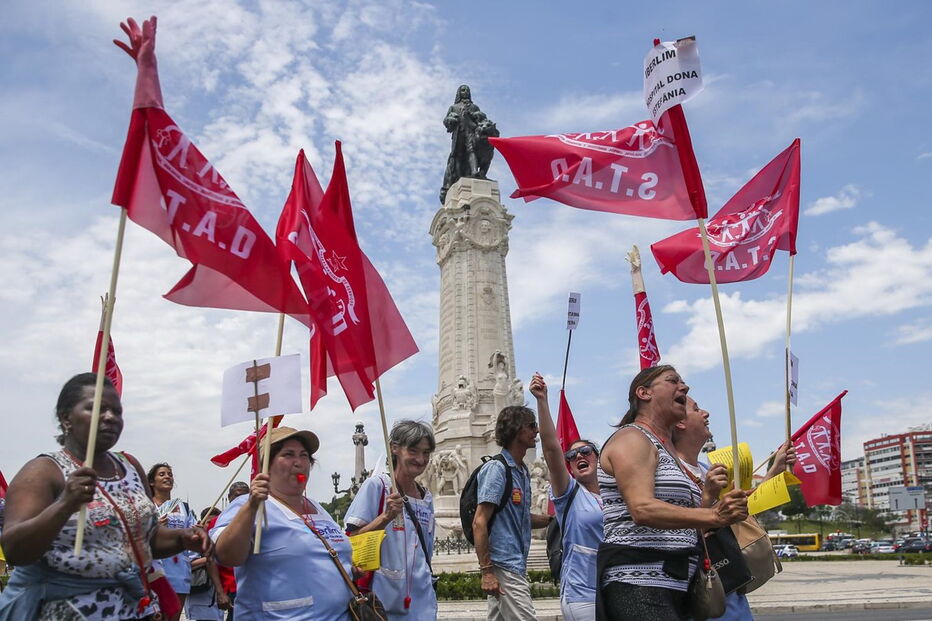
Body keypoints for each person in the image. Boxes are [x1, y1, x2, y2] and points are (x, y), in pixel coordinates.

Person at [0, 372, 210, 620]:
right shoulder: (44, 471)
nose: (110, 417)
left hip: (130, 610)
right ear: (66, 418)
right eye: (96, 409)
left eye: (117, 411)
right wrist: (65, 504)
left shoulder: (130, 466)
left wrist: (183, 538)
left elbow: (148, 539)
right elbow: (14, 549)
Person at [597, 366, 749, 621]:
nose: (684, 387)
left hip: (675, 585)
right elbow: (642, 509)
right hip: (640, 585)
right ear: (644, 393)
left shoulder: (665, 450)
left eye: (683, 382)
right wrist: (714, 515)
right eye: (673, 381)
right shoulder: (633, 438)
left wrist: (720, 507)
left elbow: (687, 524)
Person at [671, 396, 796, 621]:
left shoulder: (705, 468)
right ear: (679, 422)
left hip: (732, 586)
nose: (706, 413)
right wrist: (708, 498)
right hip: (704, 594)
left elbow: (742, 510)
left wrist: (775, 470)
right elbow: (678, 534)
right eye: (696, 409)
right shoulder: (671, 476)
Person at [212, 426, 352, 620]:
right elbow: (226, 555)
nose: (299, 463)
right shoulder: (246, 505)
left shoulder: (318, 508)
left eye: (304, 456)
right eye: (288, 454)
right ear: (266, 465)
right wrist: (251, 506)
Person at [344, 420, 437, 620]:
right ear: (394, 448)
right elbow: (351, 539)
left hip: (423, 601)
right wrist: (386, 517)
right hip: (382, 602)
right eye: (413, 451)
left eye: (426, 453)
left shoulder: (426, 497)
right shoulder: (377, 486)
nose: (421, 459)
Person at [529, 373, 602, 621]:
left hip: (615, 590)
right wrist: (542, 401)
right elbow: (551, 450)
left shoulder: (616, 495)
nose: (579, 456)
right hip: (583, 595)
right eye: (571, 456)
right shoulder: (570, 493)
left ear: (598, 457)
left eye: (586, 451)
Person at [473, 405, 553, 621]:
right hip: (503, 563)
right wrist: (487, 571)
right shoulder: (497, 469)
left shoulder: (521, 470)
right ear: (517, 429)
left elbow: (520, 517)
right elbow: (479, 522)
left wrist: (552, 520)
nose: (537, 430)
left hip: (514, 561)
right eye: (532, 425)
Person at [148, 462, 196, 620]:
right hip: (152, 573)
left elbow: (192, 544)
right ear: (152, 482)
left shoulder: (184, 508)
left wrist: (196, 532)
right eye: (162, 474)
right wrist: (154, 529)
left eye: (169, 474)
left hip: (178, 574)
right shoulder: (146, 507)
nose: (167, 477)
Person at [184, 508, 228, 621]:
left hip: (215, 598)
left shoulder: (219, 540)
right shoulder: (195, 540)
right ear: (201, 523)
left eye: (216, 522)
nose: (212, 525)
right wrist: (211, 557)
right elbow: (188, 564)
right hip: (200, 597)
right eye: (209, 522)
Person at [219, 482, 248, 621]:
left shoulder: (260, 520)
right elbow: (211, 560)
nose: (241, 500)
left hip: (253, 585)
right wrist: (220, 591)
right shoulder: (219, 522)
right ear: (229, 497)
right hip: (231, 587)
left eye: (245, 496)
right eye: (237, 496)